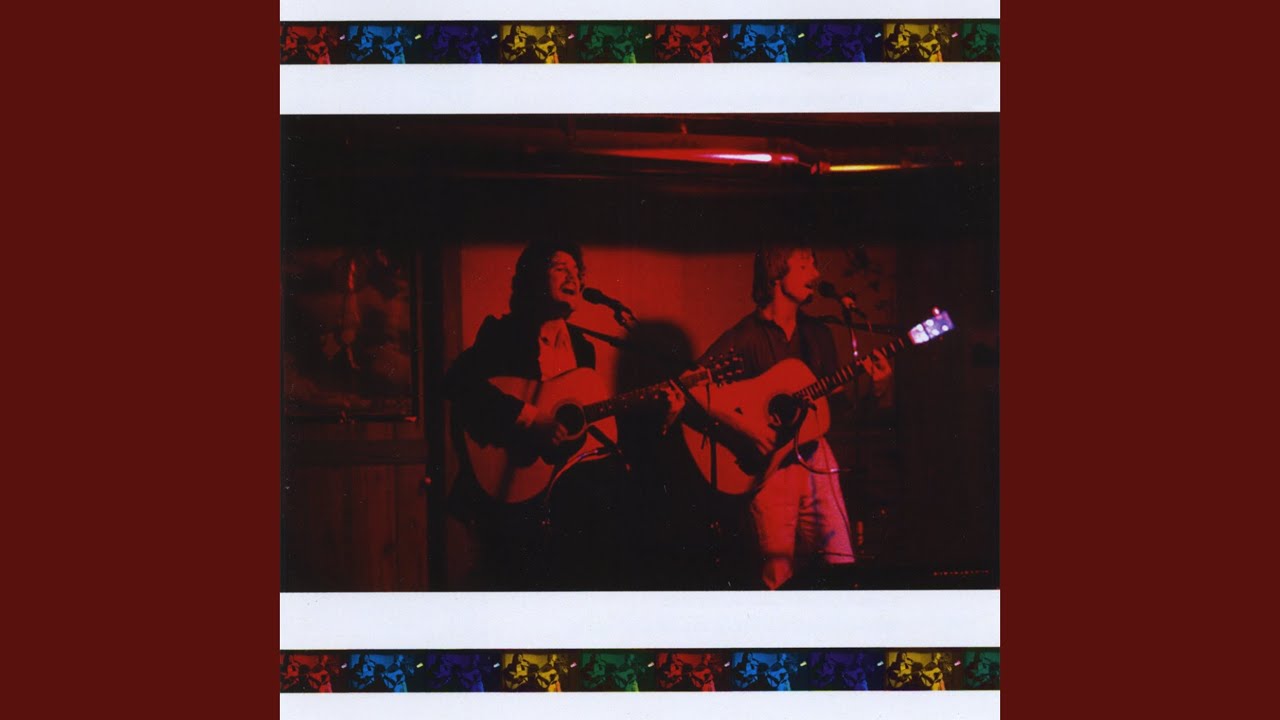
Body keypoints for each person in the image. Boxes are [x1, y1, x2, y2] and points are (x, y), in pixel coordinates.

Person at [445, 239, 676, 590]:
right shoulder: (502, 333)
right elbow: (457, 382)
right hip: (515, 490)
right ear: (533, 279)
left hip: (570, 496)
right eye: (560, 268)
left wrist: (661, 415)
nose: (574, 278)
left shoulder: (584, 348)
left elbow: (586, 425)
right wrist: (531, 419)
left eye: (577, 272)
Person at [693, 244, 892, 590]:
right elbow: (690, 389)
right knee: (777, 575)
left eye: (814, 265)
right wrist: (746, 428)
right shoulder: (744, 337)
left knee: (841, 562)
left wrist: (877, 388)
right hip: (768, 469)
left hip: (816, 457)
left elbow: (835, 408)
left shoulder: (818, 335)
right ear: (776, 274)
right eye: (804, 266)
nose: (816, 274)